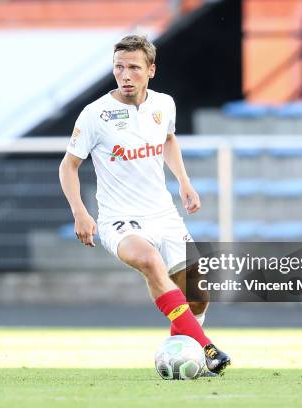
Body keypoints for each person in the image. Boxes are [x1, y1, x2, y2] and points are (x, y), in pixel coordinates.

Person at [59, 34, 230, 375]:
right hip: (119, 220)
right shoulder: (96, 115)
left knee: (198, 295)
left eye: (134, 68)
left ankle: (181, 349)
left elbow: (168, 139)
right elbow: (68, 166)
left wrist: (184, 181)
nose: (125, 75)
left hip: (164, 215)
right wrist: (80, 212)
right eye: (119, 67)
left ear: (151, 70)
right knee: (149, 260)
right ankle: (207, 348)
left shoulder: (163, 104)